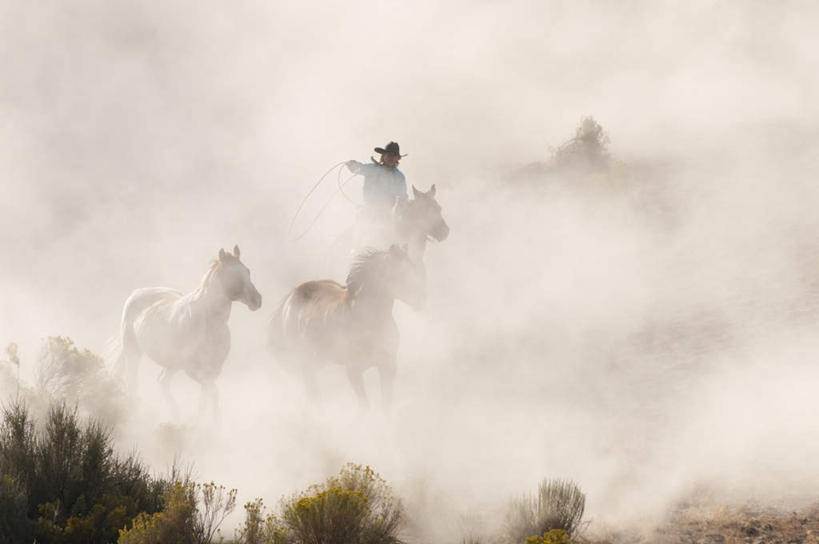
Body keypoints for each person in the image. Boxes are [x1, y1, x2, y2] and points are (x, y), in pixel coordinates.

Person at [346, 141, 408, 214]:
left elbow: (403, 197)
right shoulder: (372, 169)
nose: (391, 158)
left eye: (393, 156)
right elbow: (358, 168)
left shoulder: (399, 177)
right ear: (383, 156)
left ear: (397, 159)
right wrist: (352, 164)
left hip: (386, 214)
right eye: (389, 155)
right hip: (368, 210)